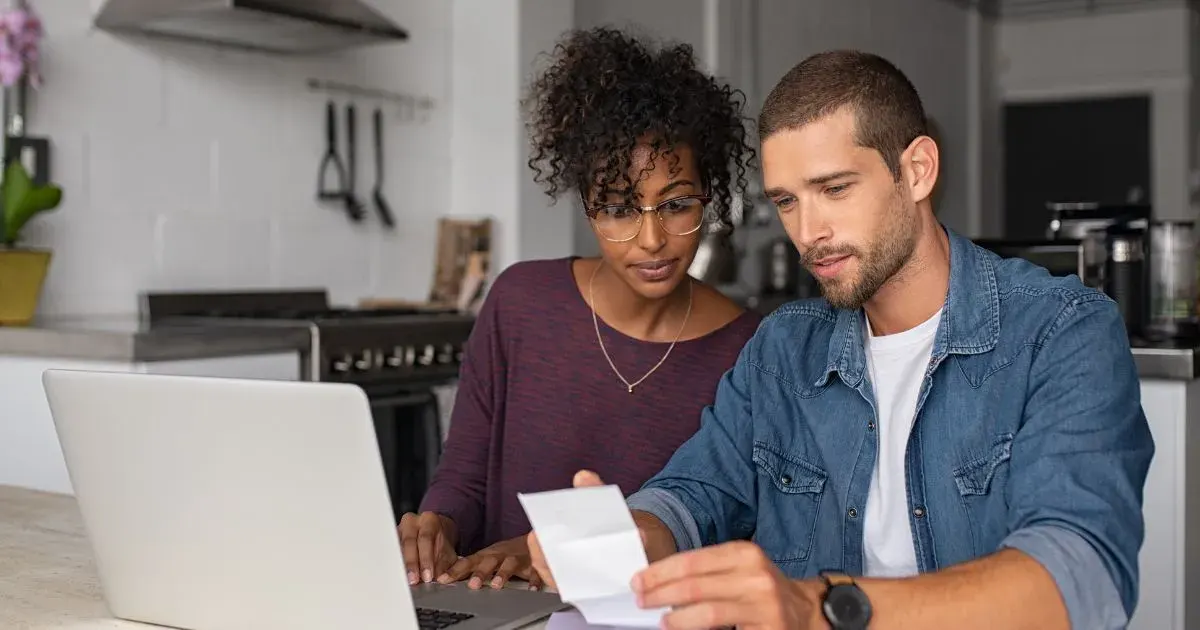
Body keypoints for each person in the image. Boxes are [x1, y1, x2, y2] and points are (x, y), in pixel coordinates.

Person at [529, 50, 1154, 630]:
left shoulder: (1063, 331)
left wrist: (820, 607)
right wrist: (630, 536)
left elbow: (1079, 577)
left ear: (916, 170)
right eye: (787, 201)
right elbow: (697, 493)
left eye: (834, 189)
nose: (809, 232)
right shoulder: (783, 350)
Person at [398, 27, 761, 591]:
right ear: (587, 207)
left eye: (677, 204)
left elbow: (724, 527)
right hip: (500, 610)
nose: (651, 239)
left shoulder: (750, 350)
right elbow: (464, 477)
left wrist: (550, 553)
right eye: (618, 209)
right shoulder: (520, 303)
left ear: (708, 197)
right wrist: (436, 526)